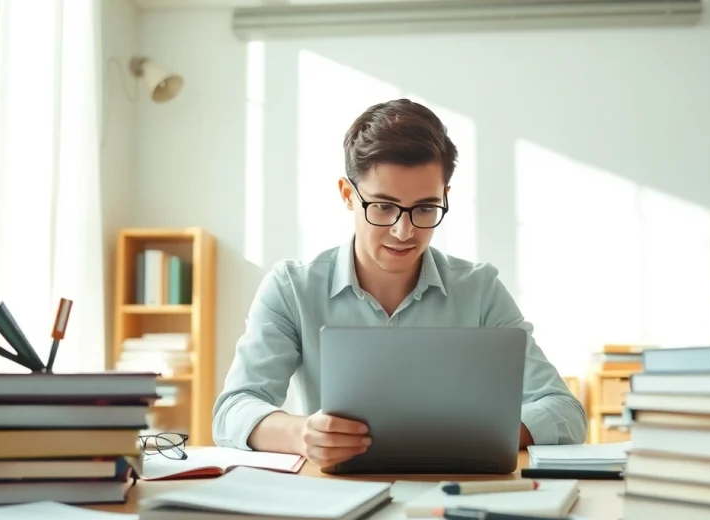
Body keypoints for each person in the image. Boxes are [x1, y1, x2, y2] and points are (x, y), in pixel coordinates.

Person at [212, 98, 588, 469]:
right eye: (383, 206)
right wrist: (301, 434)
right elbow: (234, 409)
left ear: (445, 198)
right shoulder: (291, 287)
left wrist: (476, 433)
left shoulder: (481, 290)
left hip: (455, 494)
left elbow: (564, 411)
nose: (403, 230)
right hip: (333, 493)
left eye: (425, 208)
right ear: (348, 195)